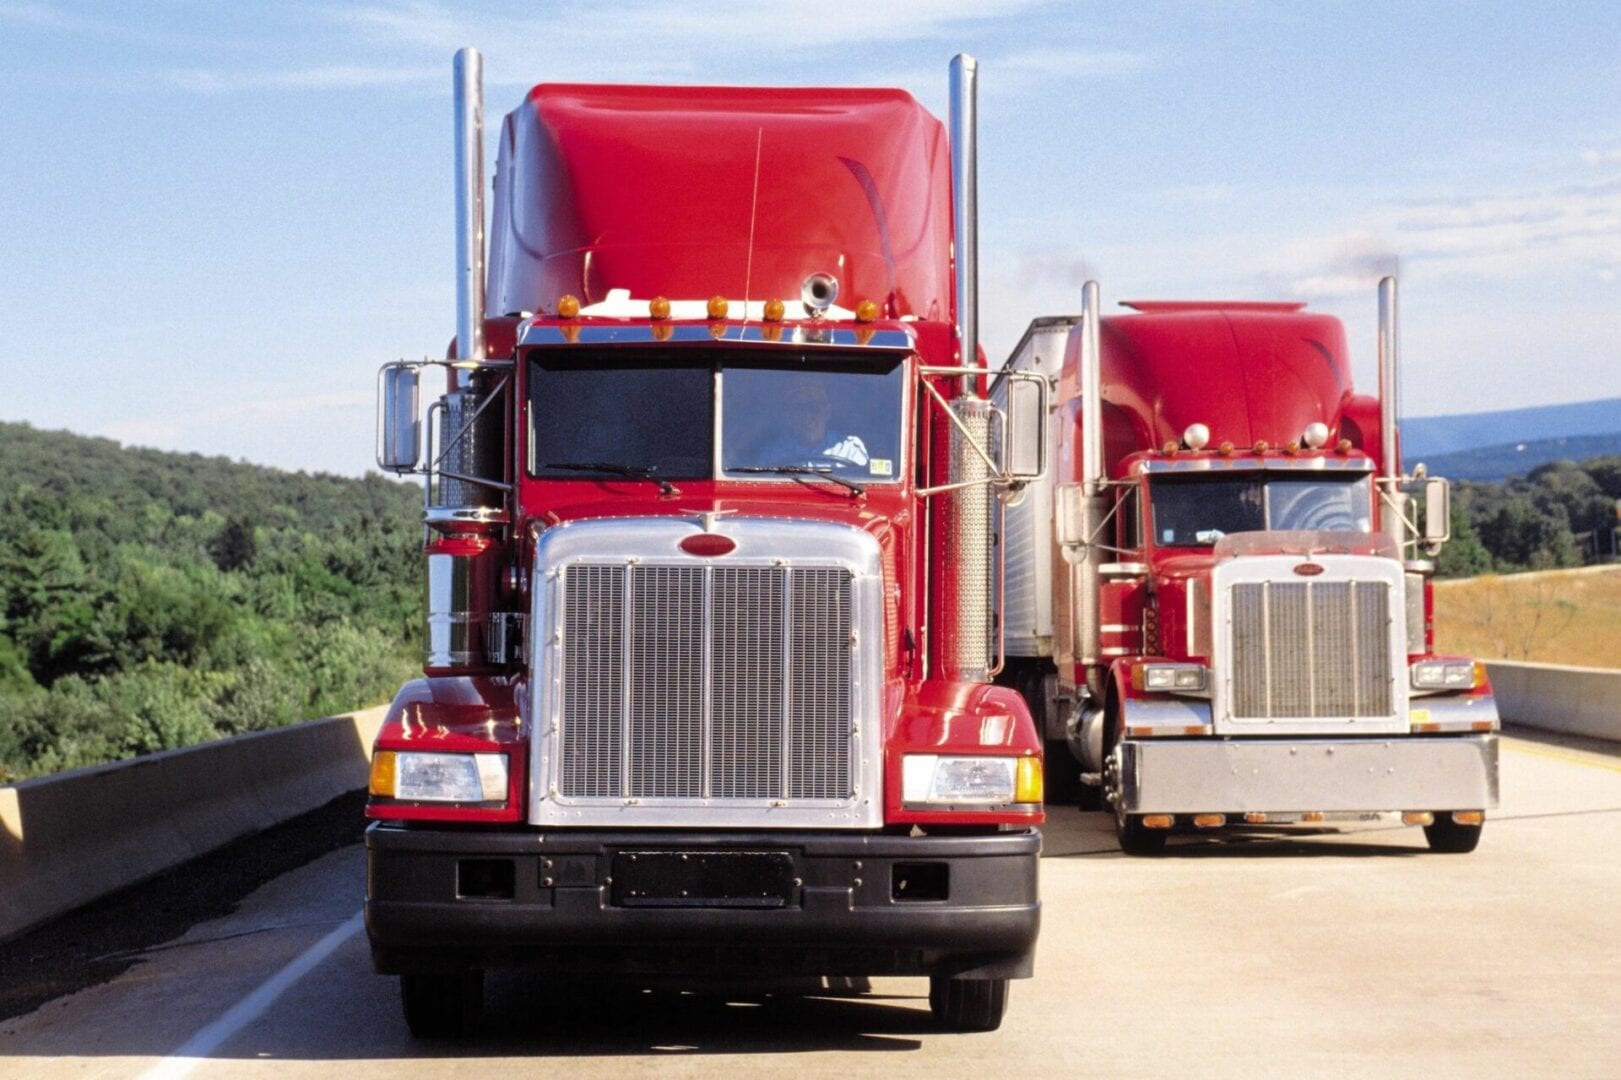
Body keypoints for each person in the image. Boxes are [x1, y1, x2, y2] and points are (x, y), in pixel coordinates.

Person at [755, 377, 868, 467]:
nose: (807, 415)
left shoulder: (850, 449)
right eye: (800, 408)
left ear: (827, 412)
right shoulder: (773, 453)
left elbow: (865, 489)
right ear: (789, 416)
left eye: (814, 408)